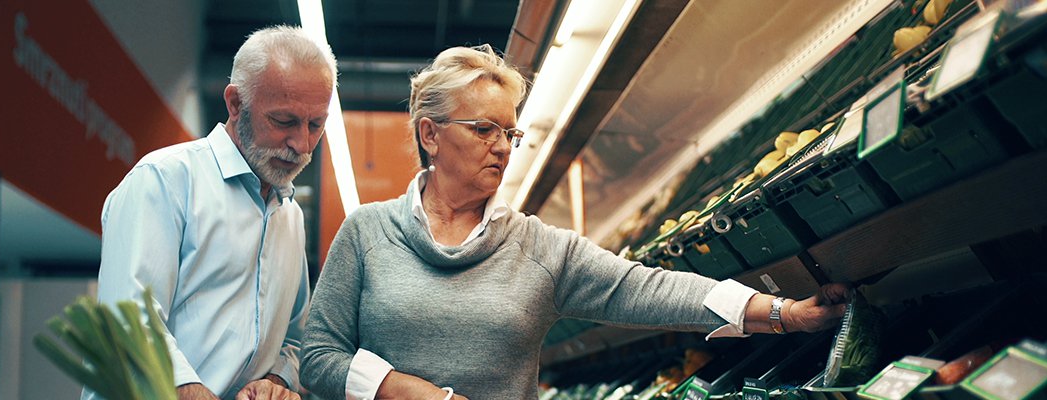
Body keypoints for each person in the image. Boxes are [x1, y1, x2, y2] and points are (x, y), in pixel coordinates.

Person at [301, 45, 850, 399]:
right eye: (484, 130)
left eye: (510, 134)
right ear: (430, 134)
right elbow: (318, 355)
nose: (502, 148)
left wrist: (784, 314)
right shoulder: (367, 233)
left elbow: (651, 289)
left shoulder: (538, 248)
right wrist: (398, 389)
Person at [95, 25, 336, 400]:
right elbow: (126, 323)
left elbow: (293, 337)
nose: (301, 144)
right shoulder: (165, 180)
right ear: (236, 104)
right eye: (284, 121)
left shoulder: (289, 215)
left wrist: (275, 382)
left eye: (315, 125)